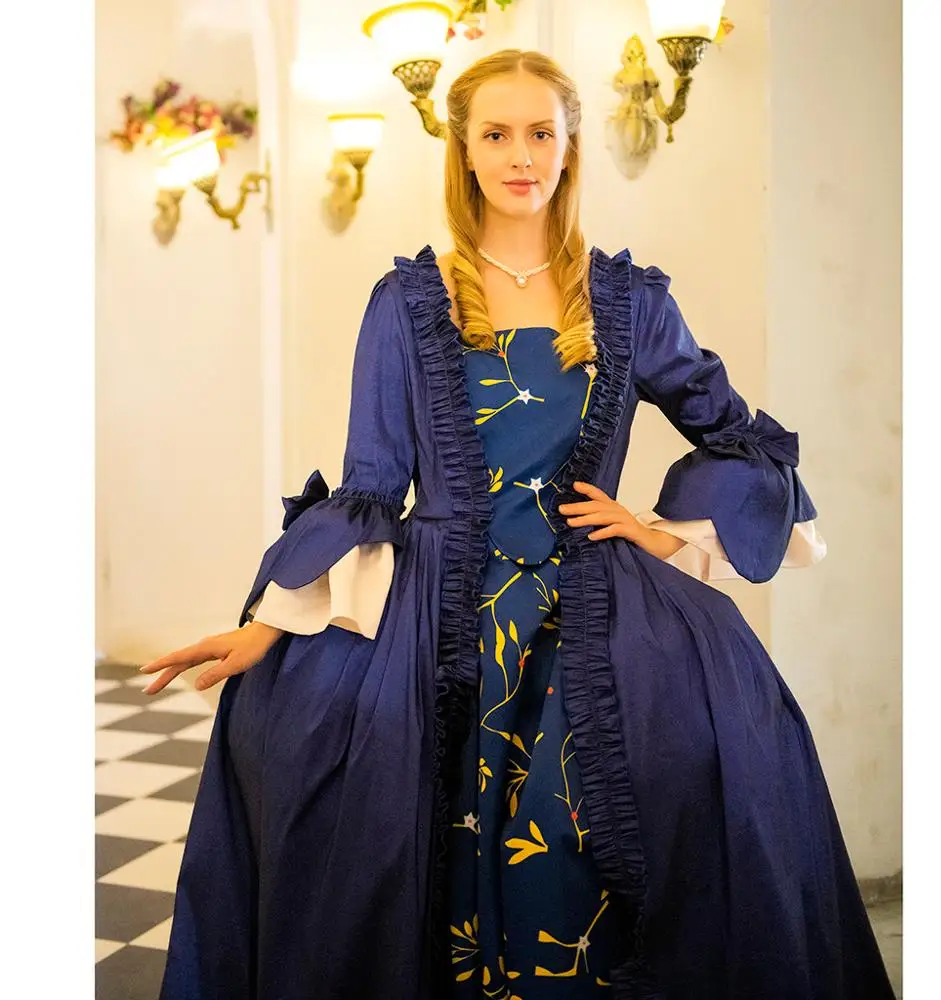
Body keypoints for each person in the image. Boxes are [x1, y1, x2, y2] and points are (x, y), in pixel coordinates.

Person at [142, 48, 896, 1000]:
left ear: (571, 146)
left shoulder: (628, 302)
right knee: (395, 831)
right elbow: (372, 487)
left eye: (541, 132)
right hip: (438, 629)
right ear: (463, 150)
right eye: (496, 134)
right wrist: (268, 628)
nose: (521, 155)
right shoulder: (408, 304)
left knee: (592, 836)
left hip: (596, 621)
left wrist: (665, 533)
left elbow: (740, 436)